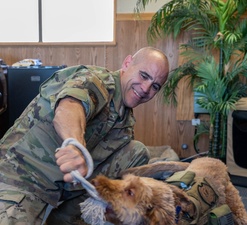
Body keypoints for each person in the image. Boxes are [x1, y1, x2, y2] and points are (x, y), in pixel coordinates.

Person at [0, 47, 169, 225]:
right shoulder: (95, 80)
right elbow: (69, 107)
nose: (145, 88)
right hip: (21, 178)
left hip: (59, 188)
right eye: (144, 76)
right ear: (127, 64)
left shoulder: (125, 124)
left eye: (155, 86)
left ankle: (66, 219)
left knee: (137, 153)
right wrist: (75, 146)